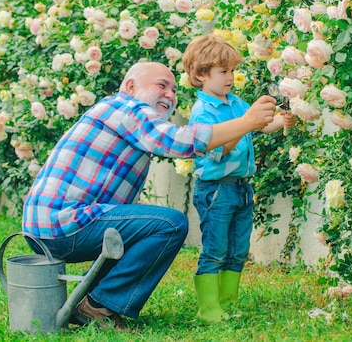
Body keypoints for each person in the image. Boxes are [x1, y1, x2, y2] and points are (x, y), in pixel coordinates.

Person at [21, 61, 278, 329]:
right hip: (64, 223)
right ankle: (99, 306)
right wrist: (246, 122)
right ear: (131, 86)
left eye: (174, 90)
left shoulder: (113, 112)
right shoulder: (127, 107)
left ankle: (87, 302)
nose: (170, 94)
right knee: (170, 224)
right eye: (161, 85)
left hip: (51, 225)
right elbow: (178, 141)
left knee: (147, 225)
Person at [182, 34, 295, 322]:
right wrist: (245, 124)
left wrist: (282, 120)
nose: (230, 77)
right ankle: (208, 309)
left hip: (241, 187)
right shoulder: (203, 111)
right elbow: (217, 148)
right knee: (215, 249)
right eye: (223, 71)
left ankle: (226, 304)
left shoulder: (235, 103)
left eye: (232, 70)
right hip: (216, 189)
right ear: (200, 75)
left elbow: (259, 127)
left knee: (238, 249)